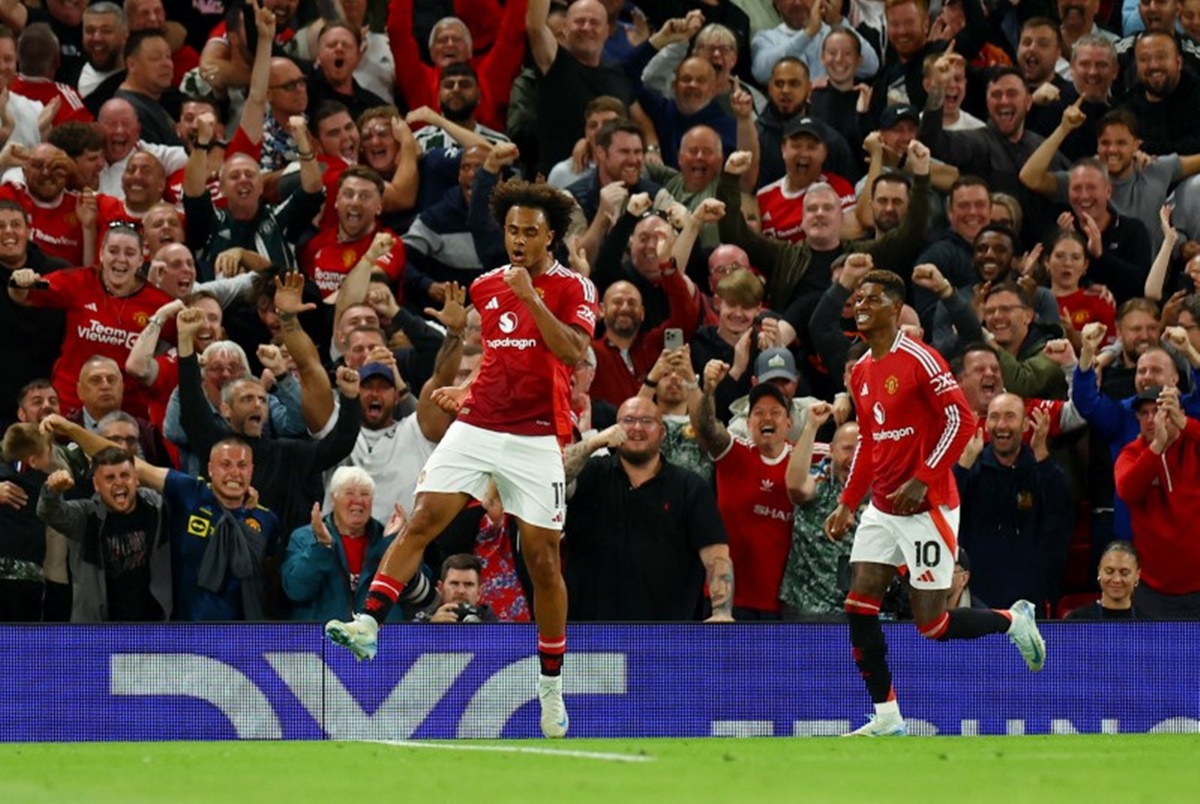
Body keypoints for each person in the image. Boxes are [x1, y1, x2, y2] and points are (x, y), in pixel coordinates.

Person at [324, 179, 598, 739]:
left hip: (538, 434)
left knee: (542, 561)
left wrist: (532, 297)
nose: (518, 240)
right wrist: (467, 394)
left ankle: (550, 685)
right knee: (423, 517)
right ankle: (368, 623)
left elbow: (571, 352)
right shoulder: (486, 286)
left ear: (551, 236)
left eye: (530, 232)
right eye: (511, 231)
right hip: (479, 425)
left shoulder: (572, 287)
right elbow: (498, 362)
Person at [824, 269, 1046, 737]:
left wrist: (924, 479)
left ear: (893, 308)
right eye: (857, 298)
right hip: (883, 508)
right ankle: (887, 717)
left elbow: (962, 421)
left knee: (932, 625)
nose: (860, 305)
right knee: (858, 604)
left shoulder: (919, 359)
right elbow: (868, 440)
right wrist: (848, 501)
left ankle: (1011, 619)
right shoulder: (862, 370)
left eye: (870, 298)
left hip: (928, 507)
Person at [43, 414, 278, 622]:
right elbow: (128, 463)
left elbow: (270, 585)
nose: (234, 472)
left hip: (245, 638)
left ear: (252, 470)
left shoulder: (266, 520)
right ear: (210, 469)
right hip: (183, 638)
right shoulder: (189, 493)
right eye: (225, 464)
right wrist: (72, 429)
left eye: (242, 465)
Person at [561, 395, 733, 621]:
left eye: (647, 421)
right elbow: (554, 478)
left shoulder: (690, 487)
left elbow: (716, 554)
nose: (637, 427)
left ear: (662, 432)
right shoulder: (591, 474)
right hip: (592, 634)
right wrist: (593, 443)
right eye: (628, 420)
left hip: (666, 636)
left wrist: (722, 612)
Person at [7, 222, 174, 419]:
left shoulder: (159, 303)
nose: (121, 259)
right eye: (113, 251)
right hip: (70, 405)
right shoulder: (79, 282)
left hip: (126, 413)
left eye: (129, 253)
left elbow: (192, 341)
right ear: (101, 254)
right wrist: (19, 281)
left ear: (140, 259)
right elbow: (24, 295)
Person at [691, 365, 796, 619]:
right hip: (725, 600)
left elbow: (847, 452)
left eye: (775, 412)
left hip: (778, 602)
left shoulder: (806, 459)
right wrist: (709, 390)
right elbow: (706, 428)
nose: (766, 418)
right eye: (758, 413)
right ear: (748, 423)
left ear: (789, 423)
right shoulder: (734, 453)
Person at [954, 393, 1074, 611]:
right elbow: (944, 509)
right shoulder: (971, 467)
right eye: (994, 417)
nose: (1002, 425)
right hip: (978, 597)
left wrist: (1041, 454)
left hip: (1030, 596)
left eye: (1010, 417)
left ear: (1026, 424)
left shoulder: (1043, 470)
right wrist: (964, 464)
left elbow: (1061, 510)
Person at [35, 446, 170, 622]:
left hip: (153, 626)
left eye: (125, 475)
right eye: (109, 478)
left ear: (136, 479)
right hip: (99, 629)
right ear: (96, 485)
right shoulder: (86, 516)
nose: (119, 483)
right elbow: (51, 513)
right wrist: (51, 491)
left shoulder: (156, 509)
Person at [281, 466, 408, 624]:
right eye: (349, 493)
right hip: (323, 642)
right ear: (333, 499)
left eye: (365, 494)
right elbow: (296, 590)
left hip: (376, 641)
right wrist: (322, 546)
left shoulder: (385, 538)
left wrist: (392, 544)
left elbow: (411, 590)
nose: (358, 500)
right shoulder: (305, 537)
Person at [1114, 385, 1200, 618]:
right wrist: (1156, 448)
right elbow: (1127, 490)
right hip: (1153, 590)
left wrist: (1185, 424)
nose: (1152, 419)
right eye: (1145, 413)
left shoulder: (1194, 444)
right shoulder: (1131, 454)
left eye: (1159, 410)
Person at [780, 406, 858, 619]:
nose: (854, 457)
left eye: (861, 450)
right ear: (832, 450)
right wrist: (812, 425)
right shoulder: (821, 476)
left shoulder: (879, 488)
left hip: (858, 610)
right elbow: (795, 486)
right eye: (847, 449)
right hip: (808, 607)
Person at [0, 423, 54, 621]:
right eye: (48, 453)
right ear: (33, 460)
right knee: (21, 643)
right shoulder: (47, 484)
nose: (51, 459)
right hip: (27, 578)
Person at [1065, 540, 1141, 620]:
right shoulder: (1076, 620)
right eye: (1109, 571)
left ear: (1137, 575)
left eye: (1124, 573)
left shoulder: (1150, 623)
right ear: (1099, 572)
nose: (1117, 579)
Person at [412, 554, 500, 623]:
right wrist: (432, 629)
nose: (461, 591)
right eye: (454, 583)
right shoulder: (423, 621)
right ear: (440, 588)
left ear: (479, 593)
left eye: (468, 584)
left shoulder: (496, 627)